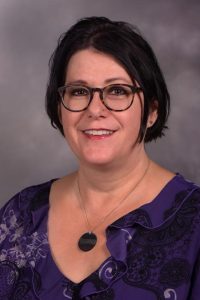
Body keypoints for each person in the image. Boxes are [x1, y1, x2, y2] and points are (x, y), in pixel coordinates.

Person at [0, 16, 199, 300]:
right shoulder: (20, 215)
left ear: (152, 111)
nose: (95, 109)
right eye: (79, 91)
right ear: (60, 108)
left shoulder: (195, 224)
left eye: (117, 91)